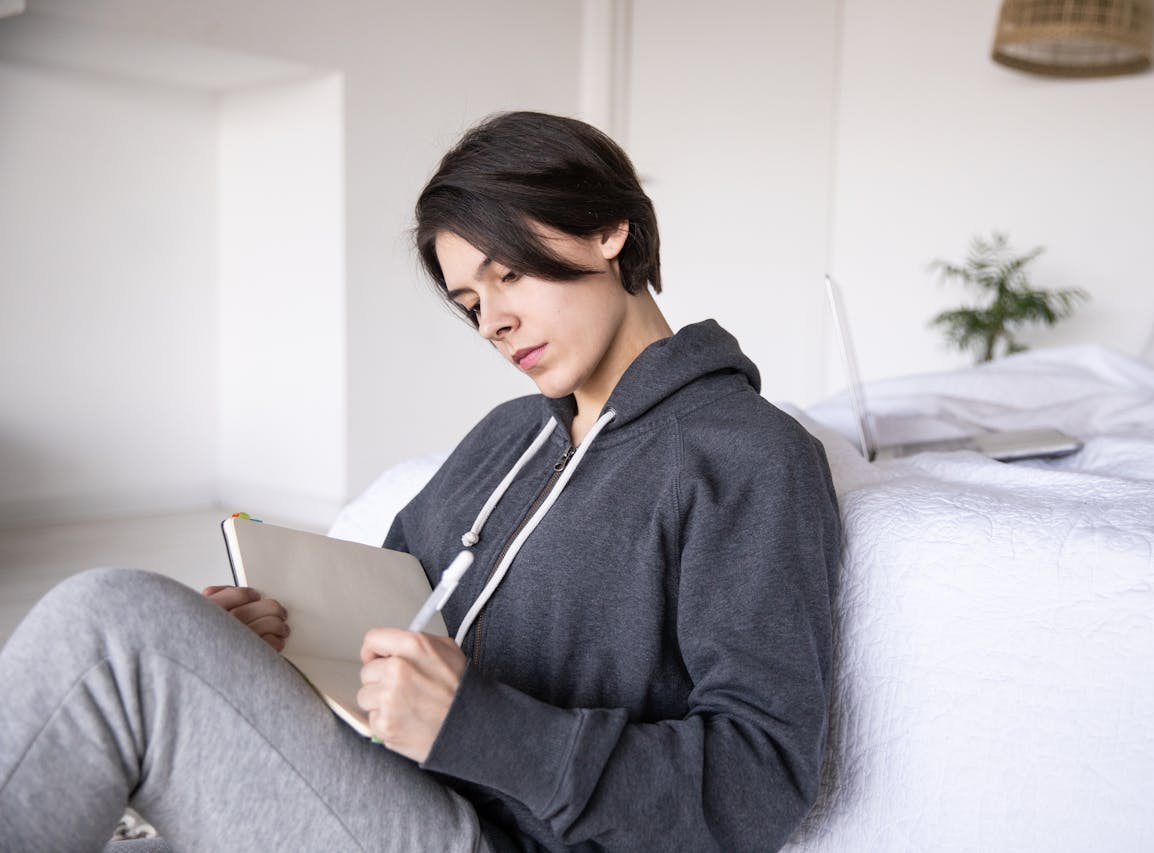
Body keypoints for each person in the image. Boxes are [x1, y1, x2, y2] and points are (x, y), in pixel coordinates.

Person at [0, 111, 840, 852]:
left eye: (508, 273)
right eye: (471, 301)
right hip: (377, 785)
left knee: (110, 624)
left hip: (490, 834)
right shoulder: (506, 436)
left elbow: (759, 780)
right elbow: (393, 621)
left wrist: (482, 727)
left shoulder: (746, 456)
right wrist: (277, 653)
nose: (494, 321)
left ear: (607, 229)